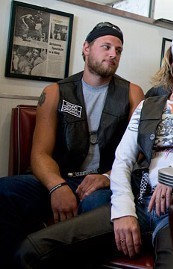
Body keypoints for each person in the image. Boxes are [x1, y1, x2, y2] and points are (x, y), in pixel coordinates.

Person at [15, 26, 173, 269]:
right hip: (139, 203)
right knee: (32, 250)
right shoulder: (147, 106)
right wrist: (123, 210)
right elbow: (123, 160)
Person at [0, 21, 144, 268]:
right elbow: (40, 154)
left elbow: (139, 153)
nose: (113, 54)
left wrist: (108, 177)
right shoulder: (55, 92)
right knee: (4, 191)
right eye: (106, 46)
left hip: (105, 182)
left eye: (118, 50)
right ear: (86, 48)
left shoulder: (133, 93)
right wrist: (57, 187)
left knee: (95, 207)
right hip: (60, 177)